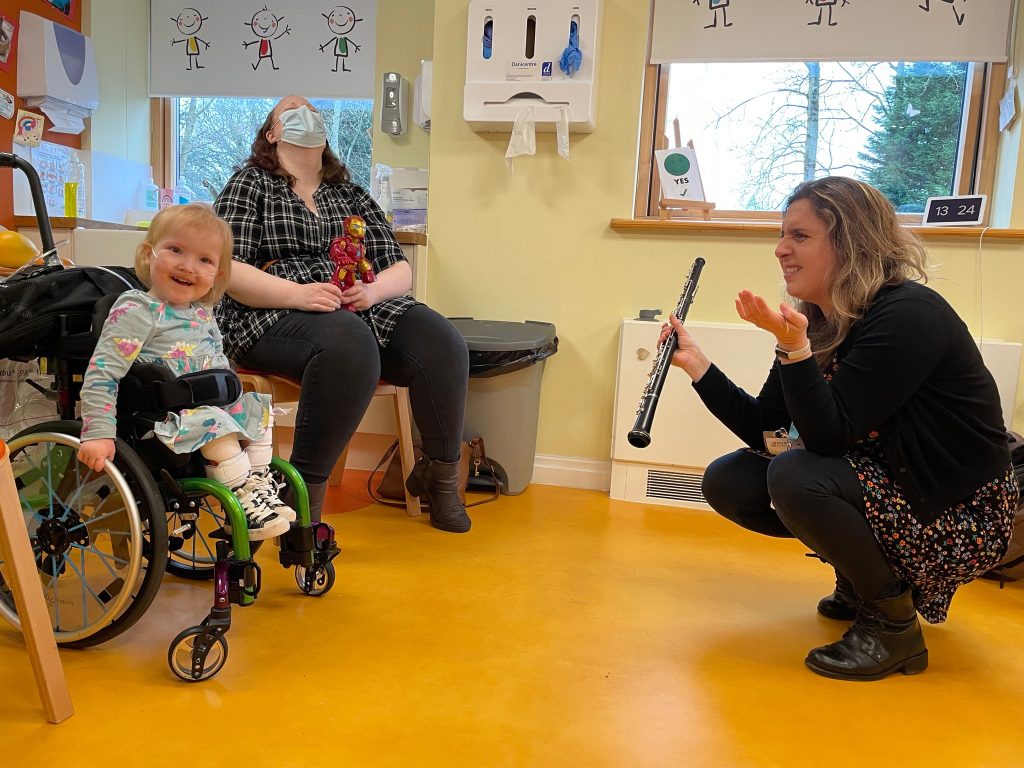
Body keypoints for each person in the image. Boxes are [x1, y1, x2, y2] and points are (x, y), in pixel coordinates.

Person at [662, 176, 1017, 681]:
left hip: (958, 512)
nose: (781, 249)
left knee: (797, 475)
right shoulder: (820, 319)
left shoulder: (907, 315)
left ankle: (893, 628)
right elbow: (768, 431)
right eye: (783, 235)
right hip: (892, 486)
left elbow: (829, 438)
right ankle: (861, 579)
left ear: (850, 242)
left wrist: (796, 350)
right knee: (732, 480)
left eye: (800, 236)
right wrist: (698, 365)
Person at [213, 95, 471, 532]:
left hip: (357, 310)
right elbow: (227, 267)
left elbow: (399, 268)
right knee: (348, 344)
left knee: (440, 341)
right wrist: (297, 294)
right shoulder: (249, 184)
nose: (305, 113)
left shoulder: (350, 193)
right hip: (272, 311)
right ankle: (302, 491)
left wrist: (371, 292)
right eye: (290, 110)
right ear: (272, 133)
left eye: (312, 109)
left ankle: (439, 477)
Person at [78, 203, 294, 541]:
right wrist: (98, 432)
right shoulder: (137, 310)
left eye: (204, 260)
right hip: (162, 419)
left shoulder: (201, 315)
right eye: (176, 250)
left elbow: (219, 365)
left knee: (258, 409)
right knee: (218, 422)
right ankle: (243, 499)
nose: (187, 266)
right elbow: (102, 374)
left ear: (217, 276)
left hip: (205, 408)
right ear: (149, 255)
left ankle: (256, 487)